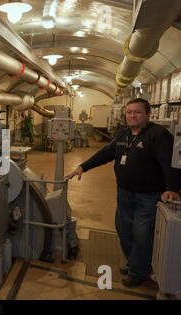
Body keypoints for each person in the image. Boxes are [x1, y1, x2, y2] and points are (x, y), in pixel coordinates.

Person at [65, 98, 180, 287]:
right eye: (129, 112)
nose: (132, 116)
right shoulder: (124, 133)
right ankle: (135, 262)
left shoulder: (158, 135)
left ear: (148, 115)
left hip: (149, 195)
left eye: (137, 112)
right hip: (124, 193)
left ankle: (139, 271)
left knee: (142, 234)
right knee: (124, 229)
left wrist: (171, 188)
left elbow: (169, 162)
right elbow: (106, 153)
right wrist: (82, 167)